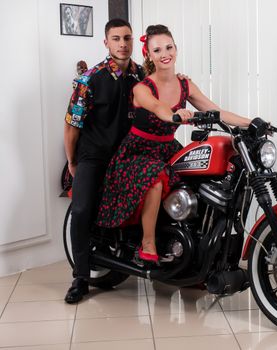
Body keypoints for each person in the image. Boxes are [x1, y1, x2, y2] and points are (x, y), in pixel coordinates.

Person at [95, 24, 251, 263]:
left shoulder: (185, 85)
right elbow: (158, 108)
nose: (164, 53)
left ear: (176, 49)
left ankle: (193, 252)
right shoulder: (142, 88)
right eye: (157, 50)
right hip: (137, 152)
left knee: (201, 181)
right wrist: (175, 115)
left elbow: (216, 111)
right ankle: (147, 242)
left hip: (168, 149)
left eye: (169, 47)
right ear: (149, 54)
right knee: (156, 177)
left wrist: (253, 123)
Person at [63, 18, 146, 304]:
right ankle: (81, 277)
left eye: (127, 38)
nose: (123, 44)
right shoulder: (90, 79)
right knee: (82, 208)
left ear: (133, 41)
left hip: (128, 154)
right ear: (106, 42)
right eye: (116, 39)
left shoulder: (142, 76)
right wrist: (72, 161)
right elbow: (72, 125)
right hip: (94, 154)